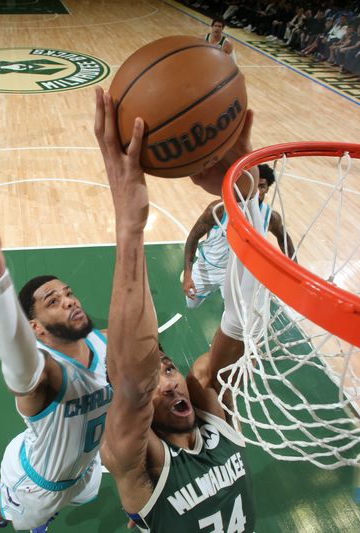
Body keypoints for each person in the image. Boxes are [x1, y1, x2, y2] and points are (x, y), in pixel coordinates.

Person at [94, 87, 256, 532]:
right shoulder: (135, 457)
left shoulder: (212, 406)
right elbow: (133, 377)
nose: (166, 384)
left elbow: (241, 321)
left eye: (169, 370)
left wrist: (244, 198)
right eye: (155, 379)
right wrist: (130, 225)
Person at [0, 169, 108, 532]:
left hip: (86, 470)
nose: (69, 301)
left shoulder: (102, 341)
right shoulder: (44, 374)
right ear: (35, 327)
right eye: (54, 301)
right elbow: (16, 355)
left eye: (68, 293)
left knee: (86, 492)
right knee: (5, 512)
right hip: (37, 486)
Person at [181, 164, 295, 309]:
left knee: (235, 313)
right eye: (254, 186)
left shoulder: (270, 217)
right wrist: (187, 274)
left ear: (267, 188)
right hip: (208, 267)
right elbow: (193, 238)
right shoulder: (219, 209)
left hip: (237, 274)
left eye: (262, 186)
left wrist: (294, 275)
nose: (257, 192)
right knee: (191, 305)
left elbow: (285, 241)